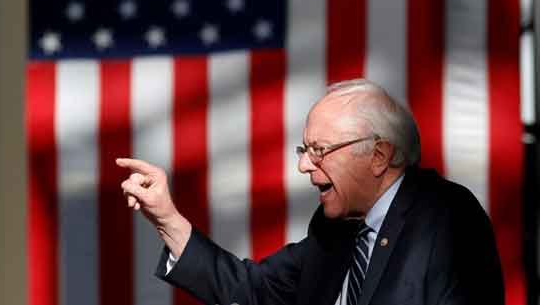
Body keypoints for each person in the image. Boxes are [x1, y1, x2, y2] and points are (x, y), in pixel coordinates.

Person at [118, 79, 504, 305]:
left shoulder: (447, 217)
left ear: (378, 156)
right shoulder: (334, 229)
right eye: (304, 150)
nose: (304, 165)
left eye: (319, 150)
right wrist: (167, 219)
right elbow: (249, 288)